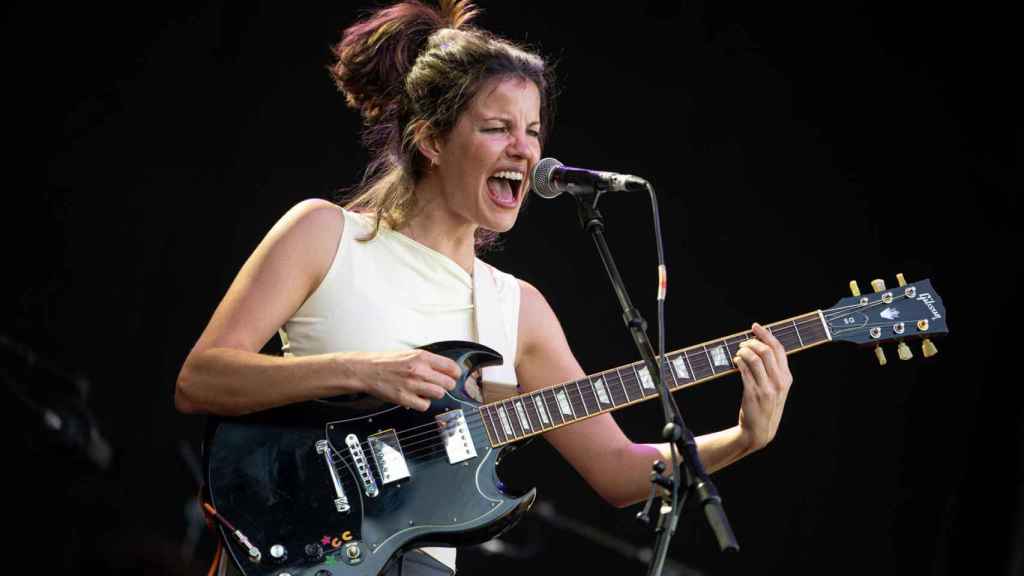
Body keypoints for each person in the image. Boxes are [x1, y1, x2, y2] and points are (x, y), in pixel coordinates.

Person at [175, 1, 794, 574]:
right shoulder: (324, 233)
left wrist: (743, 438)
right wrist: (360, 370)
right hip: (295, 544)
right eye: (498, 128)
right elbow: (201, 380)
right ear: (433, 140)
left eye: (533, 130)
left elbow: (615, 469)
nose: (524, 150)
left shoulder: (517, 307)